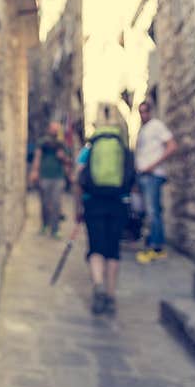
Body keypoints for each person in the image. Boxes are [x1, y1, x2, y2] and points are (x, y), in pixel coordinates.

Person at [74, 104, 134, 315]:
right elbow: (131, 177)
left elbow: (79, 177)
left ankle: (97, 285)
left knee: (96, 247)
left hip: (93, 202)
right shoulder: (123, 147)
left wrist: (78, 207)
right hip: (117, 203)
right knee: (112, 249)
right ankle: (110, 295)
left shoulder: (89, 148)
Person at [134, 101, 178, 263]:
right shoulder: (143, 129)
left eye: (145, 111)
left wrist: (152, 165)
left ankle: (157, 248)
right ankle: (151, 243)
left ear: (150, 111)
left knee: (153, 211)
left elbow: (172, 146)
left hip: (153, 175)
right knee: (149, 211)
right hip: (144, 176)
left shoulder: (157, 125)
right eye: (140, 112)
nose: (143, 115)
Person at [29, 120, 70, 237]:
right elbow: (37, 156)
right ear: (49, 129)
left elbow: (68, 161)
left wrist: (63, 158)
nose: (55, 130)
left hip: (58, 177)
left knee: (56, 203)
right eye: (53, 128)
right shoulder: (42, 142)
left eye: (57, 128)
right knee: (45, 203)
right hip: (44, 176)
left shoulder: (62, 144)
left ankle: (55, 229)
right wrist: (35, 171)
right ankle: (45, 224)